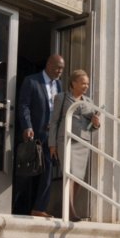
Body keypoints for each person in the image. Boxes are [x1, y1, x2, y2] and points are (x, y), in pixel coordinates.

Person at [13, 54, 64, 217]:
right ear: (49, 65)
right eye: (58, 67)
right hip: (34, 134)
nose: (60, 71)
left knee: (48, 171)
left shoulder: (59, 85)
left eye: (62, 69)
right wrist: (27, 126)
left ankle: (39, 208)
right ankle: (12, 204)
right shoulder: (31, 81)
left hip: (51, 136)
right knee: (26, 172)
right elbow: (24, 105)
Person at [48, 69, 100, 222]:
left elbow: (95, 122)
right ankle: (70, 211)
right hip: (66, 140)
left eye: (87, 84)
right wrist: (52, 144)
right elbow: (54, 122)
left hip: (83, 142)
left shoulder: (89, 102)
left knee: (78, 178)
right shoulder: (61, 98)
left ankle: (65, 207)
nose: (86, 86)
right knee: (69, 174)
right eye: (83, 83)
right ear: (73, 83)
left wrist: (97, 123)